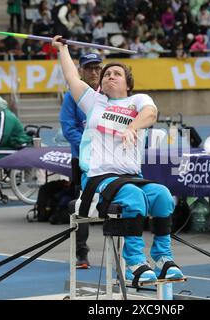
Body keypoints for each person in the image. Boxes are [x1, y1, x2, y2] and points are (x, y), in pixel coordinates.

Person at [52, 35, 184, 283]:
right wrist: (62, 49)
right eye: (107, 74)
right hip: (99, 178)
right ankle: (135, 261)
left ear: (128, 84)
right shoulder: (94, 102)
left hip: (131, 177)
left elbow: (151, 113)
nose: (110, 76)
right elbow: (71, 77)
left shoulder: (138, 100)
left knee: (163, 195)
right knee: (133, 197)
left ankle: (162, 257)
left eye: (116, 73)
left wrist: (132, 127)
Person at [59, 52, 103, 269]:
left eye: (97, 68)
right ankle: (82, 253)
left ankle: (125, 252)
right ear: (81, 71)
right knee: (81, 206)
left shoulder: (110, 93)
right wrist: (91, 145)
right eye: (89, 68)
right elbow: (68, 128)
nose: (94, 72)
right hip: (83, 160)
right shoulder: (72, 96)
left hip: (109, 161)